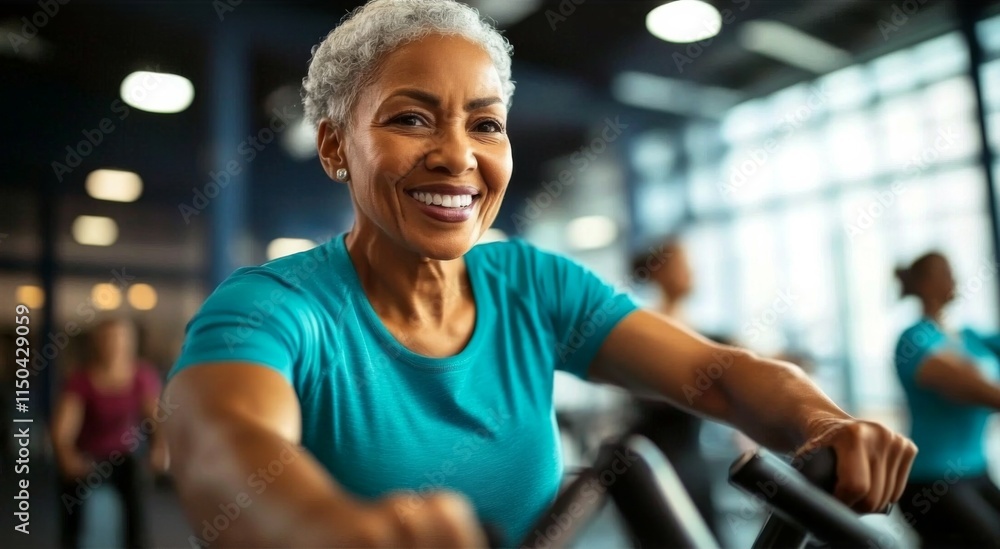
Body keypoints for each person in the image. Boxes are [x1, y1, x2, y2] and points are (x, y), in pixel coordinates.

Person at [162, 1, 916, 547]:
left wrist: (824, 422)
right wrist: (342, 531)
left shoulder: (530, 283)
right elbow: (222, 443)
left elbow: (716, 375)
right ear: (334, 147)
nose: (458, 156)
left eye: (485, 124)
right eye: (411, 118)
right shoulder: (273, 306)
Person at [893, 252, 1000, 548]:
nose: (954, 279)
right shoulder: (915, 339)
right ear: (923, 284)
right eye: (944, 272)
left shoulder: (970, 337)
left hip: (977, 469)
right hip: (932, 481)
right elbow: (969, 386)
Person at [627, 236, 728, 536]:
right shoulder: (648, 328)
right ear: (658, 271)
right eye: (683, 265)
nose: (691, 273)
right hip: (663, 457)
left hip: (691, 455)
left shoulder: (697, 330)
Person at [51, 317, 168, 549]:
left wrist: (160, 449)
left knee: (135, 487)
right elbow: (62, 431)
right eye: (109, 339)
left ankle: (137, 543)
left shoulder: (142, 376)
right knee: (71, 496)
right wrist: (67, 457)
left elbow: (156, 421)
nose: (115, 344)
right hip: (88, 457)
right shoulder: (80, 380)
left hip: (123, 457)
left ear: (131, 343)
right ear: (97, 342)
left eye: (121, 339)